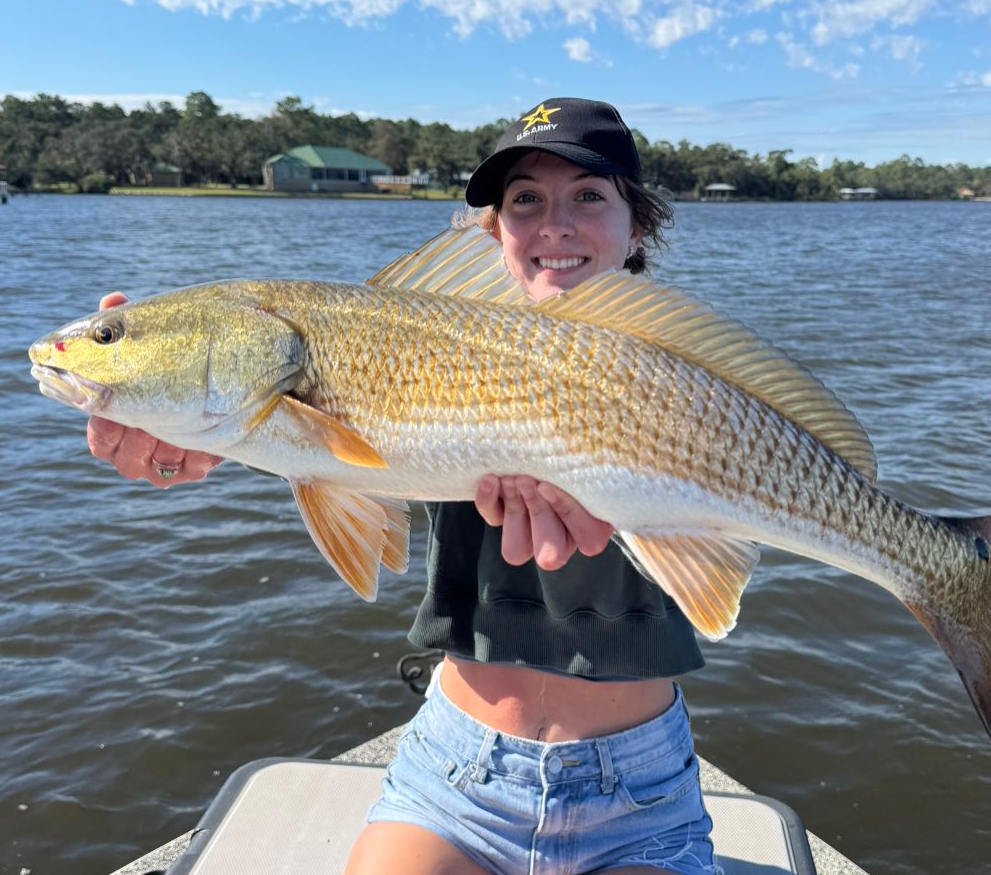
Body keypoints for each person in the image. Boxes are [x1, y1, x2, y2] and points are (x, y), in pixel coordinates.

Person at [87, 98, 721, 875]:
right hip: (455, 776)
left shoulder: (691, 379)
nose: (553, 223)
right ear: (495, 233)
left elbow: (721, 548)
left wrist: (637, 504)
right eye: (524, 199)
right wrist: (167, 441)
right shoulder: (407, 334)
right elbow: (296, 447)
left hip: (641, 790)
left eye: (588, 195)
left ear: (638, 226)